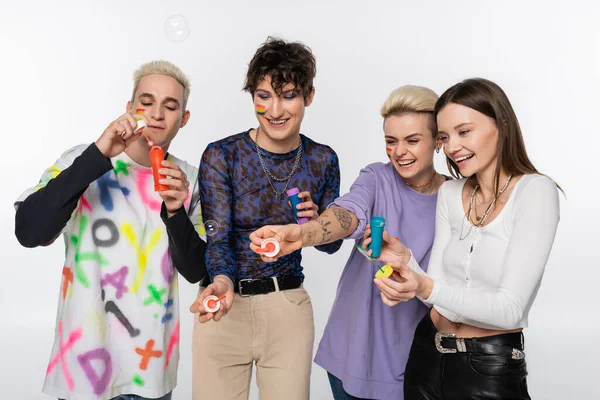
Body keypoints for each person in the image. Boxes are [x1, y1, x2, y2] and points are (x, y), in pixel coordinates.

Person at [14, 60, 206, 400]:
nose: (157, 114)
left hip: (151, 375)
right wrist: (97, 154)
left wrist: (175, 210)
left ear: (184, 119)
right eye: (147, 102)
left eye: (170, 105)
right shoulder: (82, 158)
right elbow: (29, 232)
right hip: (82, 371)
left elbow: (197, 271)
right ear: (130, 109)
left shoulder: (188, 179)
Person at [362, 78, 561, 399]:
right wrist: (406, 261)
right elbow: (437, 293)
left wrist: (425, 286)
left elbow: (510, 310)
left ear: (502, 124)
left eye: (464, 132)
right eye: (444, 136)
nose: (452, 147)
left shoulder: (535, 191)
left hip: (488, 369)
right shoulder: (452, 192)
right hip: (426, 354)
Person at [250, 85, 447, 399]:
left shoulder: (457, 199)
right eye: (391, 141)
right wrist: (303, 234)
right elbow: (348, 212)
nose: (400, 152)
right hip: (351, 352)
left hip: (416, 362)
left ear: (438, 141)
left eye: (412, 140)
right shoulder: (376, 177)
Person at [189, 37, 342, 400]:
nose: (275, 110)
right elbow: (219, 237)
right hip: (224, 305)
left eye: (288, 95)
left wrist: (317, 223)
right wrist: (222, 282)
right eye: (263, 96)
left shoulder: (323, 160)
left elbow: (333, 245)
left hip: (286, 308)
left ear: (309, 95)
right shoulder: (221, 155)